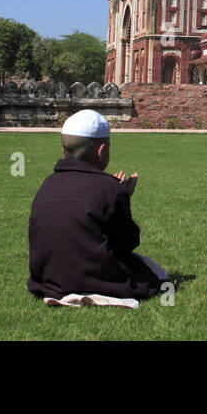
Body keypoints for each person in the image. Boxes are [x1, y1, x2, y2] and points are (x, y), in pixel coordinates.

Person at [27, 109, 165, 303]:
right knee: (147, 269)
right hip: (97, 279)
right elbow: (128, 242)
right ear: (101, 151)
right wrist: (122, 196)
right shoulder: (110, 190)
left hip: (50, 278)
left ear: (63, 151)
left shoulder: (47, 185)